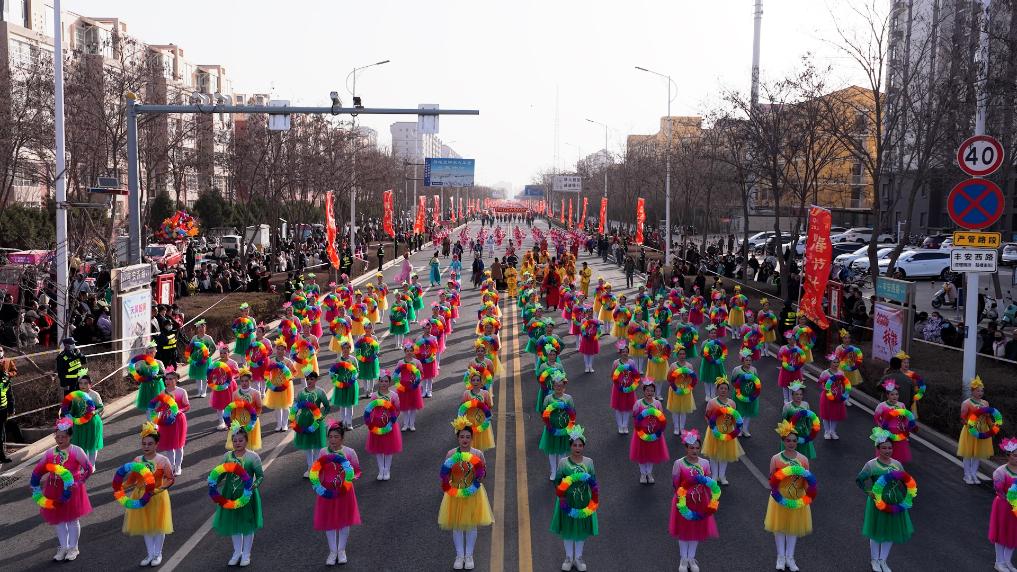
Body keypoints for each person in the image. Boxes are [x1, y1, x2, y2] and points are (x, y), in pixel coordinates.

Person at [439, 417, 494, 570]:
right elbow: (445, 475)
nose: (465, 440)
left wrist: (480, 475)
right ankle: (459, 555)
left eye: (468, 437)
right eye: (462, 436)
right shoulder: (451, 454)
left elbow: (483, 474)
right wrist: (447, 486)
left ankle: (469, 555)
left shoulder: (478, 454)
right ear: (457, 438)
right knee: (457, 525)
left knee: (470, 525)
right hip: (455, 493)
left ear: (472, 438)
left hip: (473, 493)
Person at [36, 417, 93, 562]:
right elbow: (40, 468)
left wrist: (79, 482)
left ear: (70, 436)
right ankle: (63, 547)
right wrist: (35, 481)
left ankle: (73, 548)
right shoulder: (50, 452)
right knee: (59, 520)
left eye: (64, 437)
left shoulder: (76, 451)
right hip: (54, 489)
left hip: (71, 489)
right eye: (58, 437)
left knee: (72, 520)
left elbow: (88, 469)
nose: (60, 440)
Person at [857, 428, 914, 572]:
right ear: (878, 449)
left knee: (891, 532)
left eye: (890, 448)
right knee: (876, 532)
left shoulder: (897, 464)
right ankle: (874, 560)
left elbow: (906, 481)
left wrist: (908, 496)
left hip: (895, 501)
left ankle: (883, 560)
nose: (887, 451)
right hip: (878, 502)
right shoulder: (871, 465)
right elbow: (859, 480)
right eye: (884, 448)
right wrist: (868, 492)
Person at [122, 422, 175, 566]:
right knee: (145, 526)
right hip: (140, 496)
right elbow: (132, 479)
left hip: (157, 496)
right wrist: (120, 486)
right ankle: (150, 554)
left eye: (150, 444)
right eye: (144, 444)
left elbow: (170, 478)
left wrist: (159, 489)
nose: (146, 446)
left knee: (158, 526)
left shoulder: (163, 460)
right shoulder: (137, 460)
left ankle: (158, 554)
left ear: (156, 444)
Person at [213, 425, 264, 567]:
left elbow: (260, 476)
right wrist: (213, 482)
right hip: (230, 495)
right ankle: (237, 552)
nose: (237, 443)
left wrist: (255, 484)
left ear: (246, 441)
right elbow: (220, 473)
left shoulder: (253, 457)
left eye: (240, 440)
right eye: (235, 441)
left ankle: (246, 554)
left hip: (247, 495)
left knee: (247, 523)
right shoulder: (227, 456)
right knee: (233, 523)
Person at [766, 420, 812, 572]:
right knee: (779, 526)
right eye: (788, 440)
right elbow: (771, 479)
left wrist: (807, 496)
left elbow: (807, 481)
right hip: (780, 495)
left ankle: (790, 557)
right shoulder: (776, 459)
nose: (791, 443)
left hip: (797, 496)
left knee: (793, 527)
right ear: (783, 441)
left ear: (797, 441)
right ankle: (780, 556)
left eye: (794, 440)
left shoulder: (803, 460)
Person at [314, 422, 362, 565]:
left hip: (344, 491)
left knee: (344, 521)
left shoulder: (349, 452)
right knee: (329, 522)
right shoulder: (323, 452)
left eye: (336, 437)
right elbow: (316, 471)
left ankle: (341, 550)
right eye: (330, 437)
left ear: (342, 438)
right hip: (327, 491)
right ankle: (332, 551)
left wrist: (350, 473)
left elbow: (357, 471)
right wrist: (317, 484)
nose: (333, 440)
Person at [551, 425, 598, 572]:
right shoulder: (563, 463)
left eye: (580, 445)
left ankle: (578, 557)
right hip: (567, 501)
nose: (577, 448)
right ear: (570, 446)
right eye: (575, 445)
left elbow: (593, 482)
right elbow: (557, 482)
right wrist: (563, 494)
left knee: (581, 530)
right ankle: (568, 557)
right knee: (568, 529)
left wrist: (593, 499)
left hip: (583, 501)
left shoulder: (589, 462)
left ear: (583, 447)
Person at [670, 429, 718, 572]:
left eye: (697, 448)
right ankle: (683, 559)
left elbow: (708, 482)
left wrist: (712, 498)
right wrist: (682, 499)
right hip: (684, 501)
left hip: (700, 501)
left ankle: (691, 558)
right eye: (691, 448)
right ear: (686, 448)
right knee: (684, 531)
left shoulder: (705, 463)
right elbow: (675, 483)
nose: (695, 451)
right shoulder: (679, 463)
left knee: (696, 530)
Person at [702, 377, 744, 485]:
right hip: (715, 430)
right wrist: (713, 427)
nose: (723, 390)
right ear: (717, 389)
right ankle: (714, 475)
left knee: (724, 454)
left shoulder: (732, 403)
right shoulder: (712, 402)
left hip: (727, 431)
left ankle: (722, 476)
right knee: (714, 454)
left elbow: (735, 417)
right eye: (721, 388)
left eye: (725, 388)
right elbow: (707, 416)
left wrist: (734, 429)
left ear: (728, 390)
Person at [365, 371, 402, 481]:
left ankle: (387, 470)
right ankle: (381, 470)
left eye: (386, 381)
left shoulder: (393, 395)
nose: (383, 383)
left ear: (389, 382)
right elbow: (370, 410)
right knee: (379, 449)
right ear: (378, 382)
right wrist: (370, 421)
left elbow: (397, 409)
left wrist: (392, 420)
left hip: (389, 425)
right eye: (381, 381)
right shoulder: (374, 396)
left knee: (388, 449)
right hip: (377, 425)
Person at [630, 380, 669, 484]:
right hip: (641, 432)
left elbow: (661, 417)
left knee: (652, 453)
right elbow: (635, 416)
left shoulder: (657, 403)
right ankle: (643, 473)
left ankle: (649, 473)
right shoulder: (638, 403)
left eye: (652, 391)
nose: (649, 392)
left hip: (653, 432)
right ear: (644, 391)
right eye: (647, 390)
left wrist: (659, 429)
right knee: (642, 453)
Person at [293, 372, 331, 478]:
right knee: (307, 446)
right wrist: (293, 418)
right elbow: (296, 407)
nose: (309, 381)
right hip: (304, 421)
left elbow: (327, 407)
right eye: (307, 379)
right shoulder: (301, 392)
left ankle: (316, 467)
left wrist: (321, 417)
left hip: (316, 421)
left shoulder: (320, 392)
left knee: (317, 445)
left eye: (312, 379)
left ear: (316, 380)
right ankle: (310, 467)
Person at [958, 376, 994, 484]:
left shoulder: (985, 403)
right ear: (972, 391)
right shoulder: (966, 403)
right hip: (970, 431)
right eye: (978, 391)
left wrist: (992, 427)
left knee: (977, 454)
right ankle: (967, 475)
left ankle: (974, 473)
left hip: (982, 430)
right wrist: (971, 426)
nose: (980, 393)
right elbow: (963, 418)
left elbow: (988, 418)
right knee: (968, 454)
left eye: (982, 391)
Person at [539, 374, 574, 480]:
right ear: (553, 386)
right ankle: (553, 471)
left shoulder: (568, 398)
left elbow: (572, 413)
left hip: (564, 428)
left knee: (562, 451)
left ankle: (560, 470)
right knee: (552, 451)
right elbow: (544, 413)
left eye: (561, 386)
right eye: (557, 385)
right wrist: (549, 426)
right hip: (552, 427)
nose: (559, 387)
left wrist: (569, 427)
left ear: (564, 387)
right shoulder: (548, 398)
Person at [990, 438, 1017, 571]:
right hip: (1004, 506)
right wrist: (1011, 499)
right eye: (1015, 455)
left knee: (1014, 533)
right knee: (1001, 533)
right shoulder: (1000, 472)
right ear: (1008, 455)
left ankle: (1007, 561)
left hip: (1016, 507)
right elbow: (999, 491)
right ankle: (999, 562)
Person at [68, 372, 104, 467]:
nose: (82, 385)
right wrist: (67, 416)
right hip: (79, 424)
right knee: (80, 445)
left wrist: (94, 412)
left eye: (85, 383)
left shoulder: (94, 395)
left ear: (90, 384)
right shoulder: (76, 395)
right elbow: (73, 410)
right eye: (81, 383)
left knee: (92, 444)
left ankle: (91, 465)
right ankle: (83, 465)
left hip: (92, 423)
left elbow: (101, 407)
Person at [873, 380, 913, 464]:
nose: (895, 396)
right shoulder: (882, 406)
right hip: (886, 431)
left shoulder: (901, 405)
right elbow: (876, 418)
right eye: (892, 394)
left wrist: (906, 428)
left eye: (897, 394)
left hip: (898, 431)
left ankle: (895, 465)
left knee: (898, 450)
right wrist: (882, 428)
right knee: (886, 449)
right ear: (887, 395)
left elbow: (905, 417)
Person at [265, 339, 297, 432]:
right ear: (276, 349)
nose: (280, 351)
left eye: (282, 349)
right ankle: (279, 424)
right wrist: (268, 381)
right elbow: (267, 372)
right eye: (278, 349)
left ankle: (285, 424)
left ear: (285, 351)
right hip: (275, 385)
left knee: (285, 406)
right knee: (277, 407)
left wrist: (290, 377)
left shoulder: (288, 361)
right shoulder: (272, 361)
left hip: (286, 386)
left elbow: (294, 372)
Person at [227, 370, 263, 453]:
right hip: (238, 422)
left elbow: (259, 407)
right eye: (242, 381)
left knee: (250, 446)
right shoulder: (235, 393)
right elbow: (233, 409)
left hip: (251, 422)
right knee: (239, 445)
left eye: (246, 381)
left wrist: (254, 419)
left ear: (250, 381)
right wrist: (231, 422)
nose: (244, 383)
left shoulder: (255, 393)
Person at [782, 382, 816, 460]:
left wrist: (810, 430)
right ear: (792, 395)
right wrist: (786, 434)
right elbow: (784, 420)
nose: (799, 396)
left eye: (801, 394)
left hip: (803, 432)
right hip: (792, 433)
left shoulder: (806, 404)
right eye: (796, 394)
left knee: (803, 454)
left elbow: (808, 419)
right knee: (792, 454)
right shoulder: (787, 406)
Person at [817, 354, 848, 441]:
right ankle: (826, 431)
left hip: (837, 396)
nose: (836, 364)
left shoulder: (841, 373)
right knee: (826, 414)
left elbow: (844, 384)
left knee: (835, 414)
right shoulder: (825, 373)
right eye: (834, 362)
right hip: (827, 396)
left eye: (837, 362)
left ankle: (832, 431)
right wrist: (826, 389)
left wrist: (844, 393)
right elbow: (820, 383)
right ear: (830, 363)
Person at [730, 350, 760, 437]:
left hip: (750, 395)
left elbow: (757, 382)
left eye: (750, 360)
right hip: (739, 395)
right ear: (743, 360)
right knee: (740, 413)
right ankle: (739, 429)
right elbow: (733, 381)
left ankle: (745, 429)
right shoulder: (737, 370)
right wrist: (738, 390)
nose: (748, 362)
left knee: (748, 413)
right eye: (746, 360)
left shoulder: (754, 370)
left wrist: (754, 393)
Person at [0, 356, 14, 463]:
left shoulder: (5, 378)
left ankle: (1, 455)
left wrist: (11, 408)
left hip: (3, 409)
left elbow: (9, 394)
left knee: (1, 433)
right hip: (3, 408)